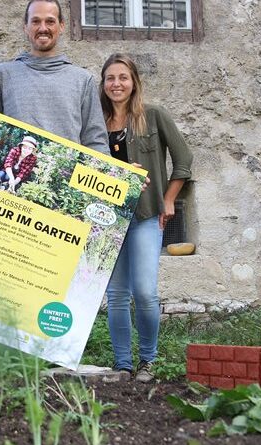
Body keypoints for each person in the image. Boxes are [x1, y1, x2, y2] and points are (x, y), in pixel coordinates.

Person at [99, 53, 193, 383]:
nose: (117, 84)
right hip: (108, 219)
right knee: (116, 295)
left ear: (134, 82)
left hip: (145, 215)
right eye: (110, 78)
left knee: (144, 292)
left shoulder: (153, 116)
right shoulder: (96, 121)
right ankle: (123, 364)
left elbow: (184, 159)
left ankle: (148, 361)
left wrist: (169, 200)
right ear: (103, 83)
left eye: (123, 77)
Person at [0, 0, 109, 153]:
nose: (43, 28)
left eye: (50, 21)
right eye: (36, 21)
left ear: (61, 26)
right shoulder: (2, 75)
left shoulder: (83, 80)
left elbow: (96, 142)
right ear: (25, 27)